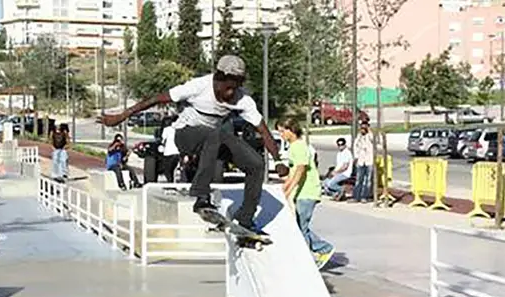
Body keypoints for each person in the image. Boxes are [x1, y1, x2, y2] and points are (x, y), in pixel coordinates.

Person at [98, 55, 288, 233]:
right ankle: (201, 197)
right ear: (218, 79)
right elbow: (155, 99)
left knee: (255, 163)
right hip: (184, 134)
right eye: (228, 88)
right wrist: (121, 117)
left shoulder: (243, 99)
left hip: (213, 140)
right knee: (213, 135)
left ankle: (245, 219)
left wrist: (278, 160)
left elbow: (263, 130)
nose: (230, 94)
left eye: (235, 88)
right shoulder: (198, 86)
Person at [278, 118, 335, 270]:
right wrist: (285, 188)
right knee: (299, 226)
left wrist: (290, 189)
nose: (281, 134)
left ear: (291, 130)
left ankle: (315, 254)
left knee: (300, 228)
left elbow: (301, 169)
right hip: (302, 192)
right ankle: (320, 250)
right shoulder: (293, 147)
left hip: (307, 192)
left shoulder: (299, 146)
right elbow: (293, 172)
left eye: (282, 131)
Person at [351, 121, 374, 203]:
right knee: (358, 179)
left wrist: (369, 131)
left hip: (369, 160)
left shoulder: (370, 136)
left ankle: (365, 196)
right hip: (361, 160)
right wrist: (356, 157)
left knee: (368, 180)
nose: (363, 130)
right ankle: (356, 196)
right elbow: (355, 146)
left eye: (365, 128)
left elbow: (375, 140)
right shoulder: (359, 137)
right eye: (361, 128)